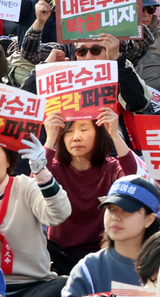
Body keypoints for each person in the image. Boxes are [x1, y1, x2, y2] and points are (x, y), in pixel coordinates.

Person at [51, 177, 160, 297]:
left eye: (127, 210)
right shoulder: (88, 268)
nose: (115, 217)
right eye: (111, 209)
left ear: (149, 219)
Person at [0, 137, 72, 297]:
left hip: (32, 287)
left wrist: (41, 172)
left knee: (64, 285)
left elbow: (59, 214)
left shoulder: (25, 186)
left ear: (9, 160)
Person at [41, 108, 139, 274]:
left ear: (98, 133)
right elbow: (35, 186)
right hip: (60, 255)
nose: (76, 137)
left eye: (84, 129)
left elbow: (132, 178)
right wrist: (50, 138)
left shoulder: (111, 167)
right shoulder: (54, 168)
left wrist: (114, 133)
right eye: (69, 131)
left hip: (103, 252)